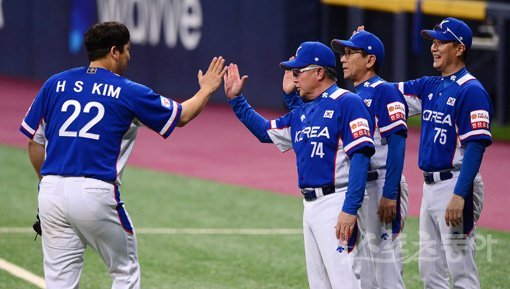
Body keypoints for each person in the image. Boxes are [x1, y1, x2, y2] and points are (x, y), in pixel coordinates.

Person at [19, 21, 226, 289]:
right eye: (127, 50)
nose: (129, 57)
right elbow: (182, 115)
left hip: (50, 193)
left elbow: (34, 143)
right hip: (95, 192)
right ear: (114, 51)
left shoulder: (54, 84)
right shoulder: (128, 91)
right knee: (124, 271)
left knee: (59, 282)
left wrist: (46, 183)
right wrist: (207, 89)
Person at [224, 41, 375, 289]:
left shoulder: (347, 102)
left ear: (319, 73)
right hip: (310, 207)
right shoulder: (303, 112)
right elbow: (266, 132)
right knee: (319, 284)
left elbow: (360, 156)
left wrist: (349, 209)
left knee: (345, 281)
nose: (295, 78)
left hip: (337, 203)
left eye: (299, 71)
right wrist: (237, 101)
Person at [285, 31, 409, 289]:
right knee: (363, 274)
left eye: (351, 53)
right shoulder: (351, 96)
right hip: (361, 186)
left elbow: (397, 144)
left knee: (386, 273)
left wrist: (390, 192)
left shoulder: (384, 90)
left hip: (382, 183)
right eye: (343, 52)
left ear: (370, 60)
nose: (343, 58)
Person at [396, 17, 493, 289]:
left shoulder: (471, 91)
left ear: (459, 48)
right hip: (431, 187)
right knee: (430, 270)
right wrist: (362, 56)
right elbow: (385, 94)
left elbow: (475, 146)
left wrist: (459, 195)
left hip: (456, 183)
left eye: (441, 42)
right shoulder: (431, 85)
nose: (434, 48)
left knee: (461, 269)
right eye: (433, 42)